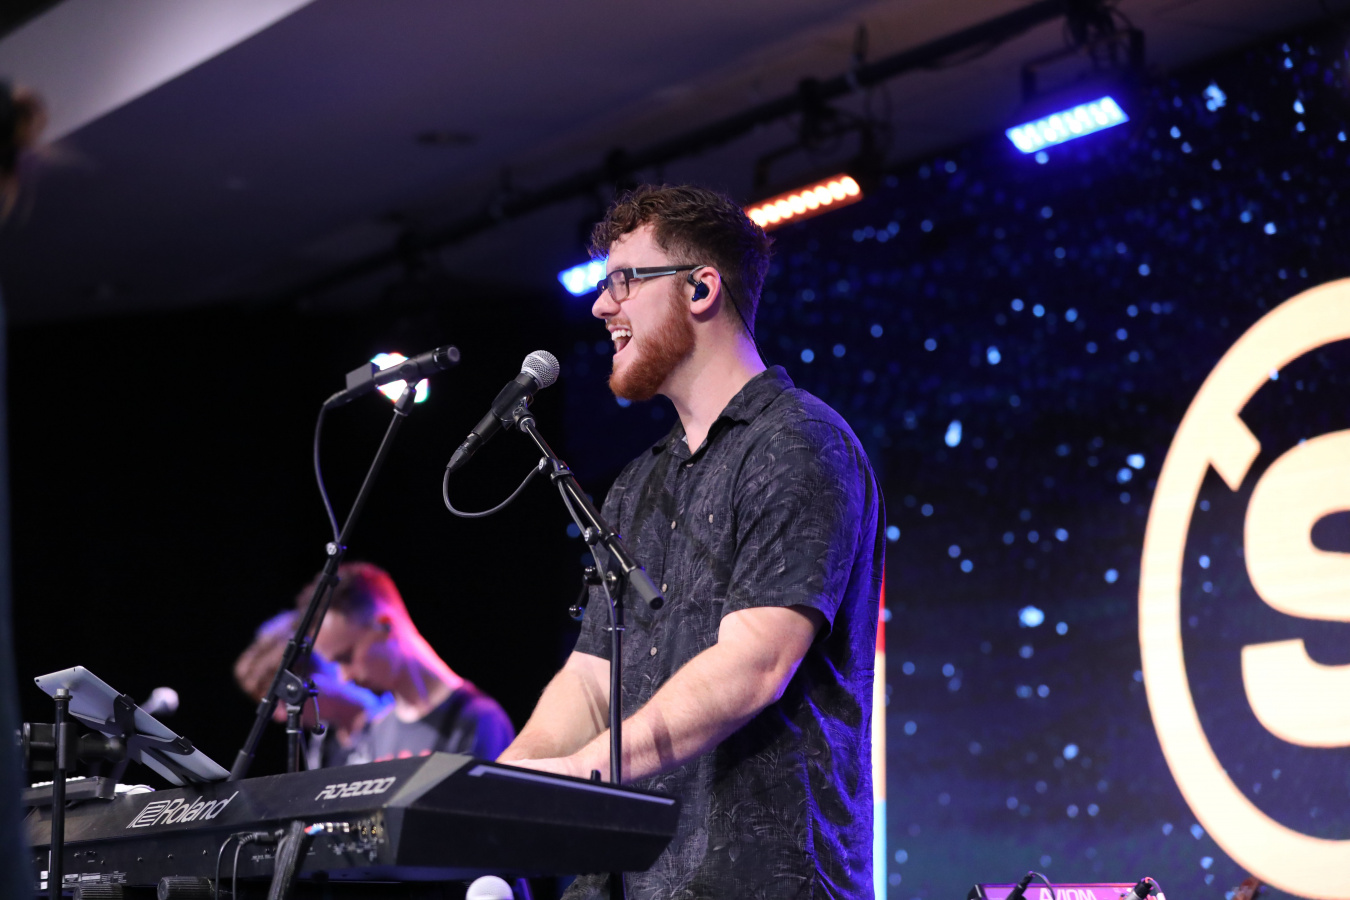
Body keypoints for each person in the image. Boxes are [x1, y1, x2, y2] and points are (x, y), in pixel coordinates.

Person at [498, 185, 885, 899]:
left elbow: (753, 665)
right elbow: (592, 679)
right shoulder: (637, 483)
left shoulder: (798, 443)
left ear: (701, 289)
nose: (601, 307)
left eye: (623, 281)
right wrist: (503, 787)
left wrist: (580, 773)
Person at [308, 561, 515, 763]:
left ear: (385, 625)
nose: (344, 677)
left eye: (347, 657)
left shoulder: (478, 720)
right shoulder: (376, 731)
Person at [233, 608, 389, 769]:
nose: (280, 716)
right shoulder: (323, 745)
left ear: (313, 680)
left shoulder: (390, 718)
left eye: (283, 701)